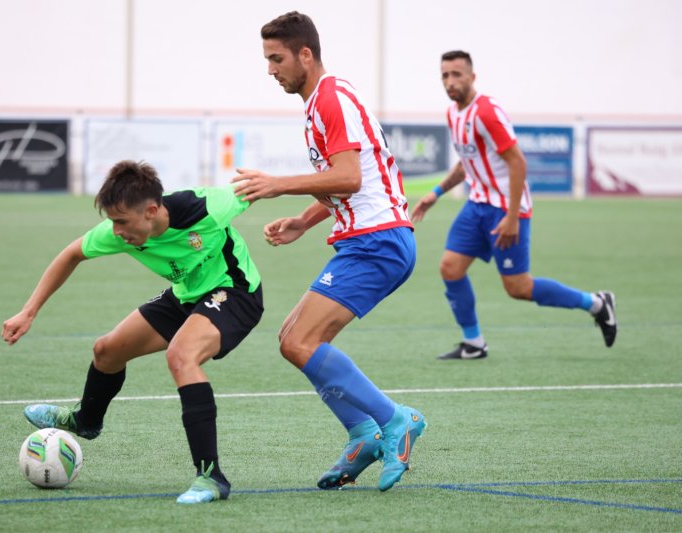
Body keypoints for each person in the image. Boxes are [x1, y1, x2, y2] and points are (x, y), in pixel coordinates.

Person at [231, 11, 426, 492]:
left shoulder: (331, 99)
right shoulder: (321, 102)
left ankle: (395, 419)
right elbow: (350, 184)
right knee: (292, 338)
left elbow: (350, 177)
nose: (271, 70)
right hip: (371, 238)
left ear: (305, 54)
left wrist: (280, 187)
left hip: (377, 241)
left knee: (300, 342)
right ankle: (363, 435)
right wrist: (304, 219)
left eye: (276, 59)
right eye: (266, 60)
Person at [1, 160, 263, 504]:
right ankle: (85, 421)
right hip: (187, 296)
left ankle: (211, 477)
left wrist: (303, 215)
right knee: (107, 351)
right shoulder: (119, 231)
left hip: (235, 292)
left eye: (122, 221)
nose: (117, 230)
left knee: (181, 356)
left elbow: (263, 188)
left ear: (152, 210)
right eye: (111, 221)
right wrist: (28, 311)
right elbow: (69, 255)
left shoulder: (208, 206)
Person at [410, 50, 617, 360]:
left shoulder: (487, 113)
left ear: (472, 77)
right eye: (445, 76)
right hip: (477, 204)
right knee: (450, 268)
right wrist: (436, 192)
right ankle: (474, 343)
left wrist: (512, 217)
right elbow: (468, 161)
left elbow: (518, 163)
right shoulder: (453, 114)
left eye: (456, 74)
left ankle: (598, 304)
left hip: (505, 209)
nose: (450, 82)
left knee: (518, 287)